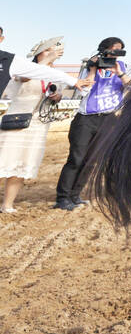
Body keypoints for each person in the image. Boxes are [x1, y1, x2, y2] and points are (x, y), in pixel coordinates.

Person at [1, 36, 78, 213]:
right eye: (47, 49)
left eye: (53, 50)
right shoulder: (23, 66)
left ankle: (7, 204)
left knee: (21, 164)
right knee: (3, 159)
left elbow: (56, 92)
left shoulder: (54, 74)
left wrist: (56, 96)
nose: (51, 52)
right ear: (38, 53)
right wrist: (46, 61)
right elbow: (24, 78)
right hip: (17, 119)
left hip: (38, 123)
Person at [55, 37, 130, 210]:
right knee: (76, 158)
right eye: (114, 50)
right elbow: (83, 90)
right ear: (104, 50)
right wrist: (92, 70)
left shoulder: (122, 67)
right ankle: (63, 197)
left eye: (120, 50)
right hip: (86, 119)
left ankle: (75, 195)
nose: (116, 54)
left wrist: (120, 73)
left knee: (92, 160)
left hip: (109, 119)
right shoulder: (90, 66)